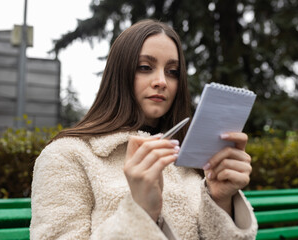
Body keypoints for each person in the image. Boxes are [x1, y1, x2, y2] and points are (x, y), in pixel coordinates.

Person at [30, 19, 258, 239]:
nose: (162, 81)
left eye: (173, 71)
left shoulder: (188, 160)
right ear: (119, 74)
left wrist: (221, 201)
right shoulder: (67, 156)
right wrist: (140, 211)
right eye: (145, 67)